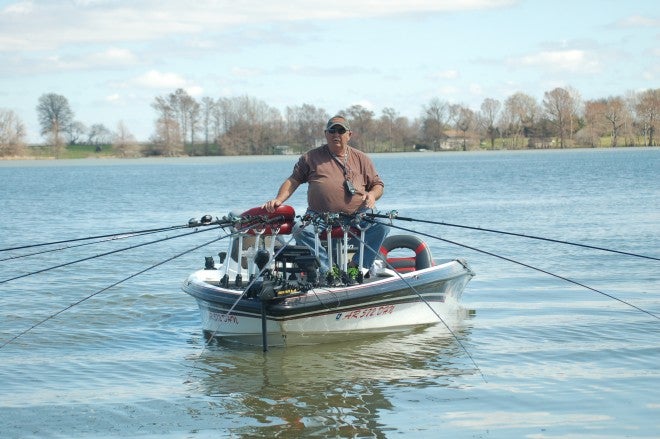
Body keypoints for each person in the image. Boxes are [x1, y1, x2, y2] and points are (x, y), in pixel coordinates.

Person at [263, 115, 388, 273]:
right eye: (332, 130)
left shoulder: (362, 158)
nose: (336, 134)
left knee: (382, 226)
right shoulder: (310, 157)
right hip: (319, 216)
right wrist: (278, 199)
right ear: (326, 134)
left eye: (341, 131)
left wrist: (372, 195)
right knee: (300, 229)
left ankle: (357, 267)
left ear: (349, 135)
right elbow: (293, 180)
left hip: (357, 215)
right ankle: (329, 270)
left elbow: (378, 185)